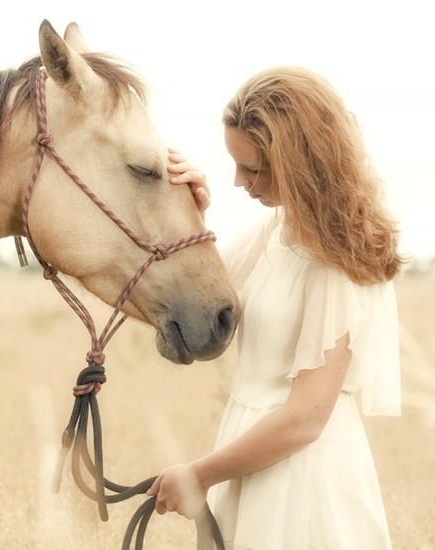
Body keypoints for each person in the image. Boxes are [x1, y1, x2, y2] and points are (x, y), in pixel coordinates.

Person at [146, 66, 403, 549]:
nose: (238, 181)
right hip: (249, 460)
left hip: (303, 481)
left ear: (300, 161)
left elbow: (306, 417)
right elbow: (209, 298)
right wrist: (191, 213)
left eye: (253, 169)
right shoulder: (277, 230)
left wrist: (200, 474)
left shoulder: (334, 260)